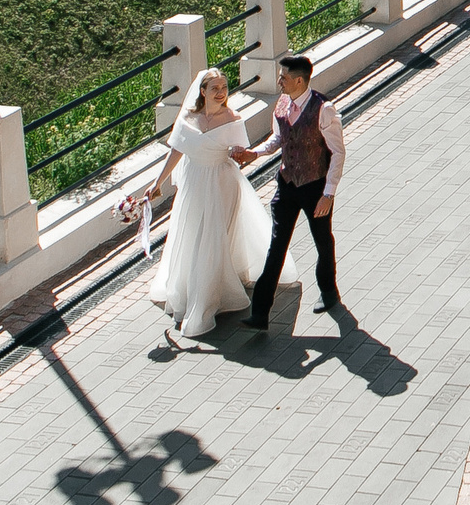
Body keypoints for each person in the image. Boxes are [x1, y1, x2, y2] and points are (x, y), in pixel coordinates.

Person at [145, 68, 269, 341]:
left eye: (224, 86)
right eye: (215, 87)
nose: (221, 91)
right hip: (194, 185)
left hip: (222, 184)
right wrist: (158, 183)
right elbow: (177, 150)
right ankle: (191, 289)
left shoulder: (233, 118)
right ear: (202, 91)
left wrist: (241, 155)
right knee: (192, 235)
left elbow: (243, 156)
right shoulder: (188, 117)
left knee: (213, 238)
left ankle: (207, 299)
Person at [231, 54, 343, 331]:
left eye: (283, 77)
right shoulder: (282, 103)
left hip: (315, 186)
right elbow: (279, 139)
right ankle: (260, 313)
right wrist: (253, 153)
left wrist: (327, 194)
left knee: (322, 240)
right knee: (276, 246)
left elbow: (338, 153)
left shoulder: (323, 109)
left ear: (299, 80)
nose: (279, 81)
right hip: (286, 185)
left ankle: (329, 291)